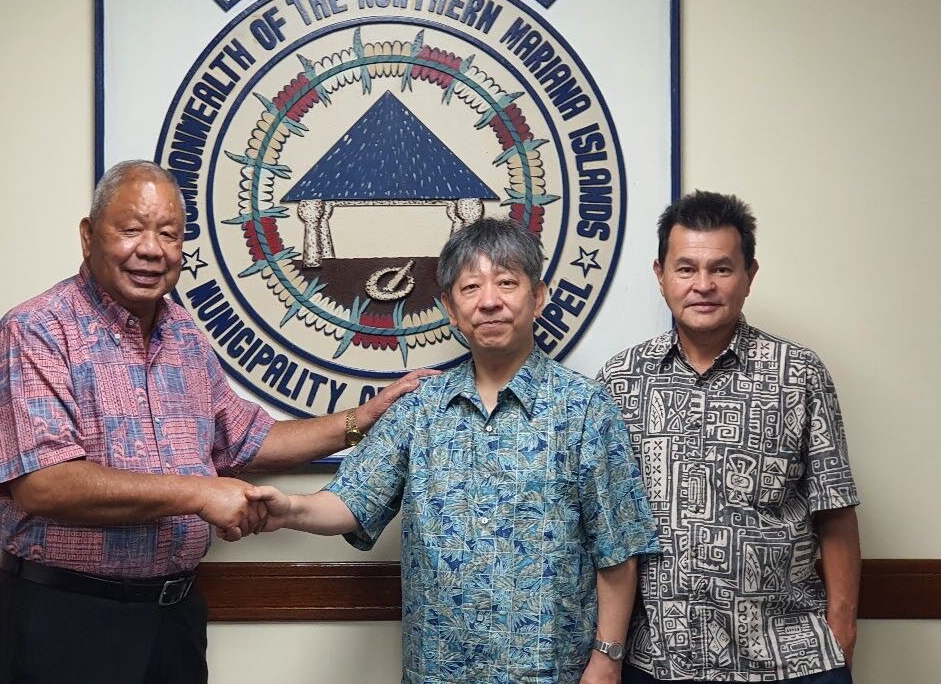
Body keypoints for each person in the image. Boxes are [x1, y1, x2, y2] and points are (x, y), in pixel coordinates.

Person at [0, 159, 434, 684]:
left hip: (174, 618)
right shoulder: (34, 330)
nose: (151, 249)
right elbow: (44, 484)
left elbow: (250, 439)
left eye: (169, 234)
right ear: (88, 236)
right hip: (65, 618)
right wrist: (199, 493)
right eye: (131, 230)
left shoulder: (185, 337)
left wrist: (362, 419)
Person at [246, 217, 661, 684]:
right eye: (470, 288)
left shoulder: (585, 409)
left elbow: (618, 546)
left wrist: (607, 659)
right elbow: (350, 502)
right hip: (439, 670)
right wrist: (288, 509)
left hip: (550, 671)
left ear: (538, 296)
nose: (489, 301)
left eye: (507, 283)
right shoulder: (420, 408)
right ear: (449, 307)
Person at [597, 191, 861, 684]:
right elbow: (608, 526)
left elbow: (836, 509)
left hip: (790, 657)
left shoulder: (799, 374)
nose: (703, 285)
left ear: (749, 276)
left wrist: (842, 626)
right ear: (660, 276)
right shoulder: (620, 380)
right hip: (659, 661)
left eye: (721, 268)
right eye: (685, 269)